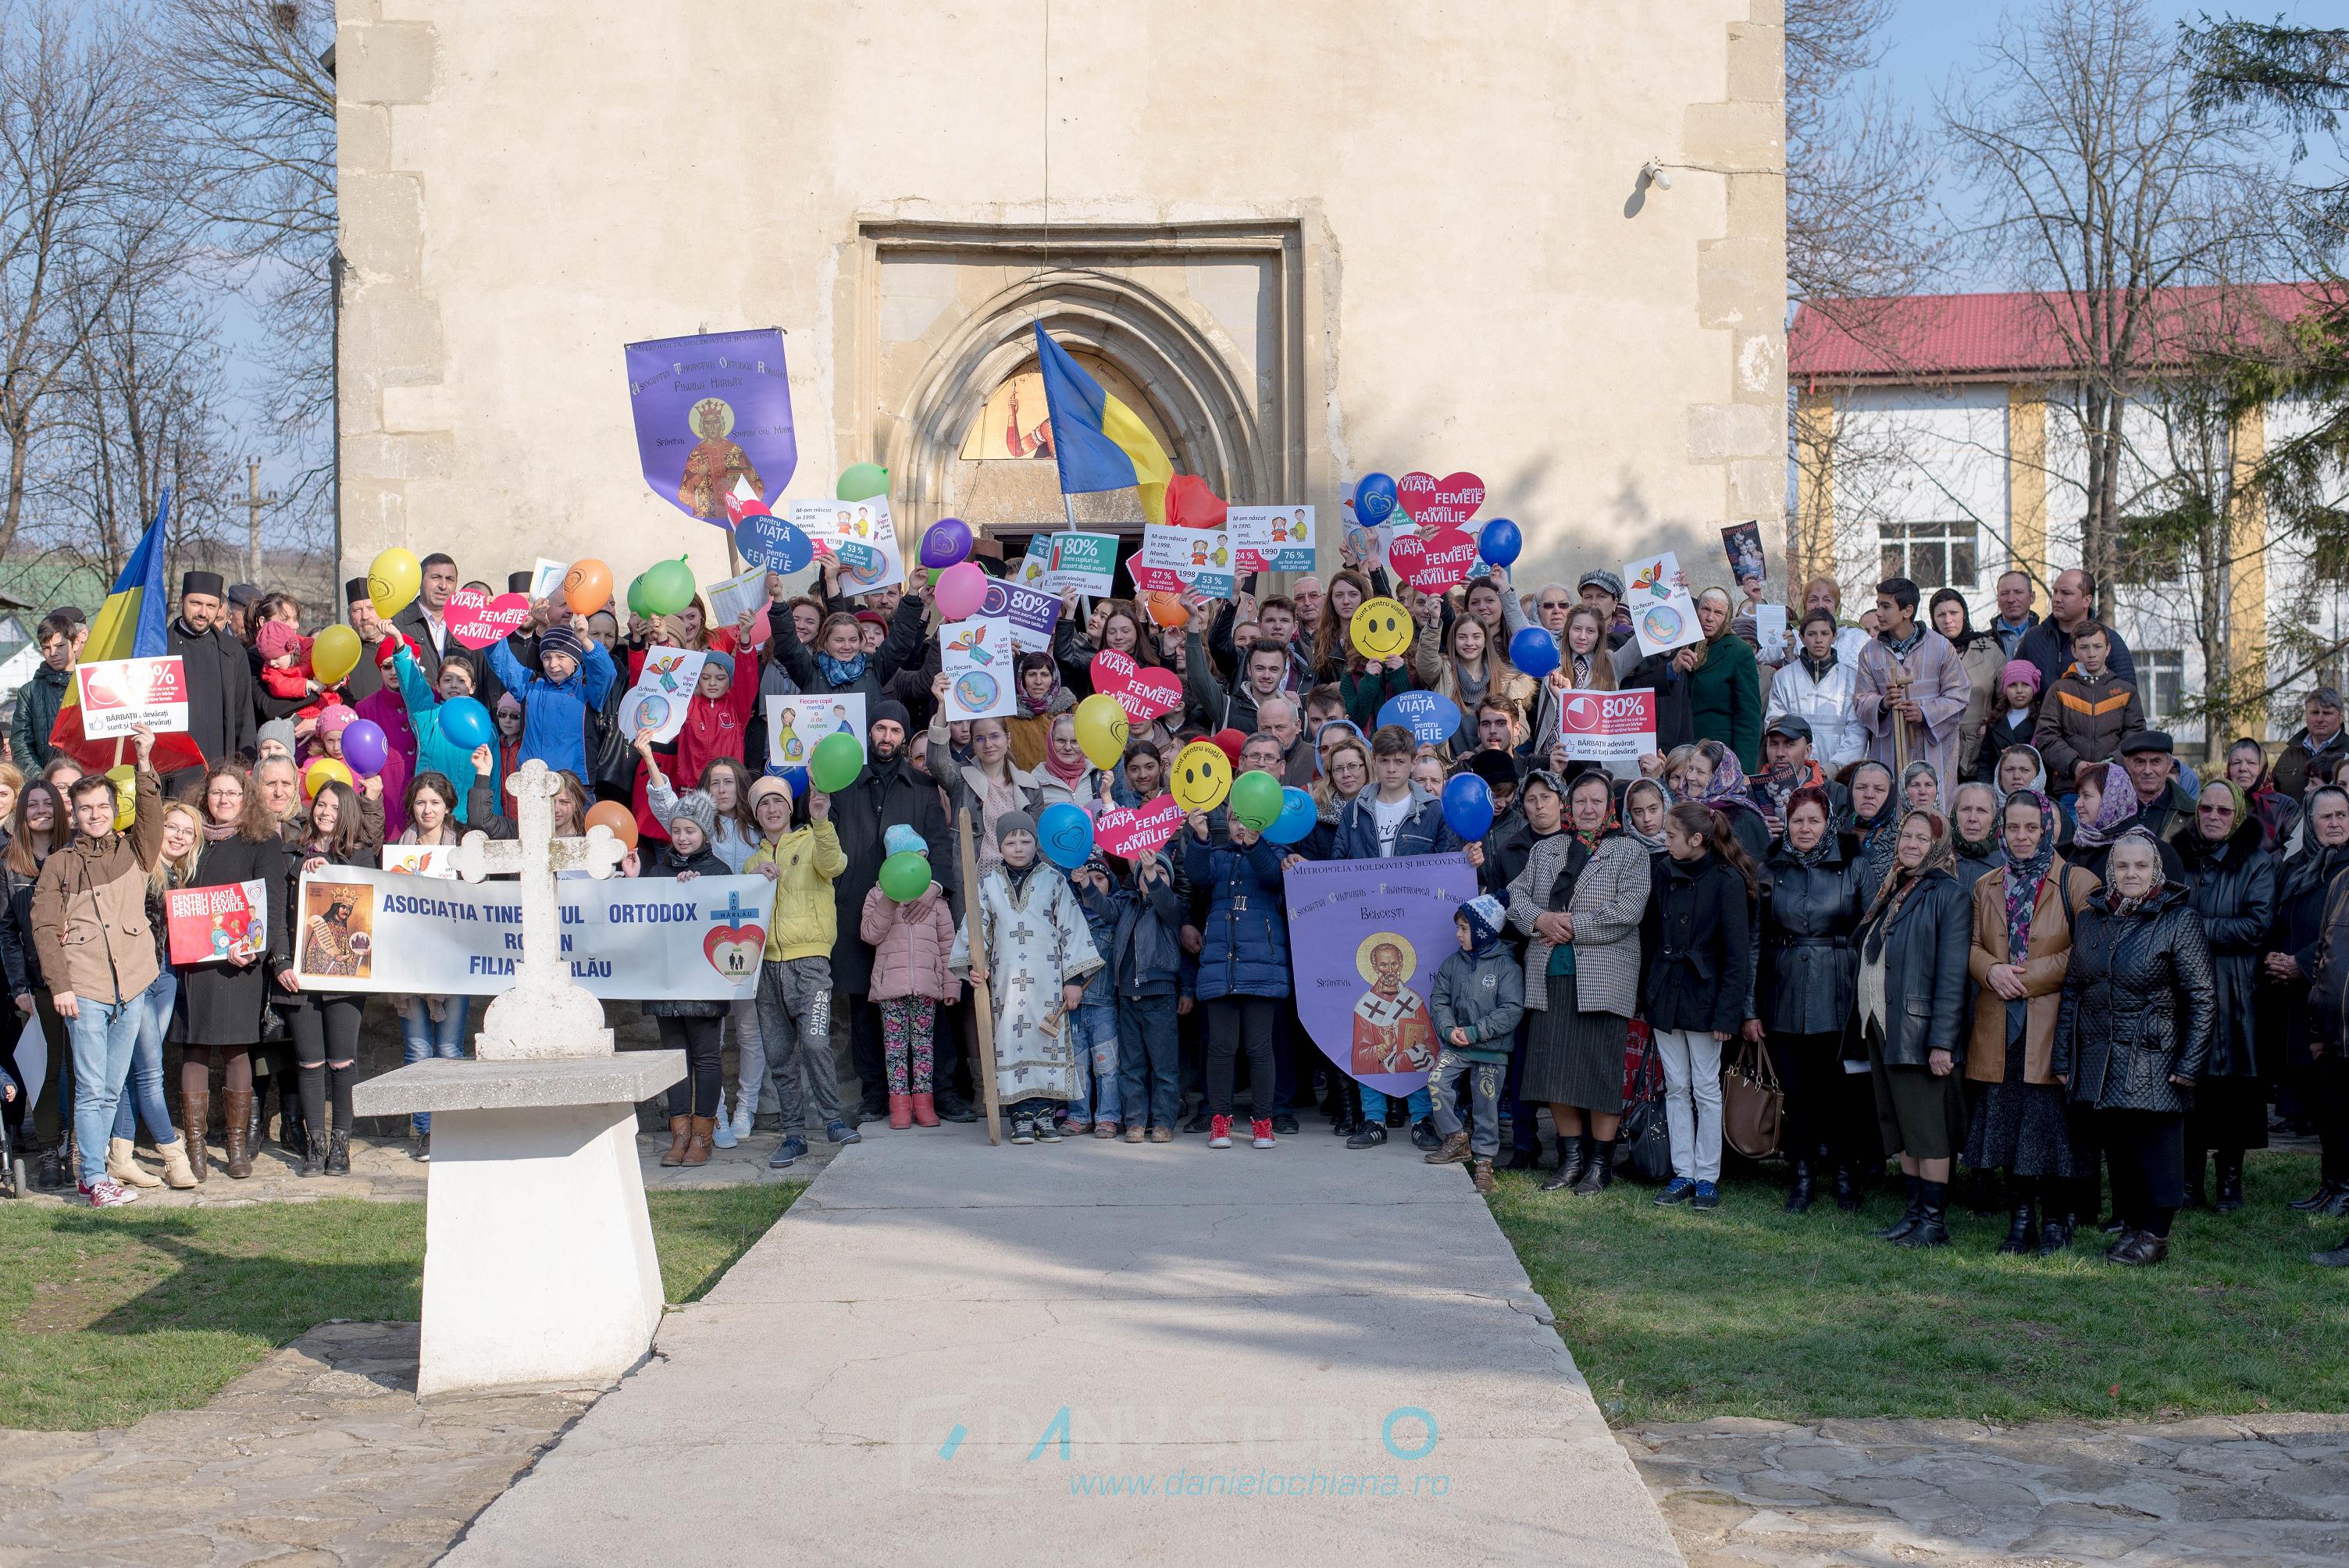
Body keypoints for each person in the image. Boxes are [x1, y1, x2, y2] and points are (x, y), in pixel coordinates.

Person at [2052, 828, 2215, 1266]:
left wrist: (2190, 1064)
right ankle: (2131, 1226)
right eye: (2122, 865)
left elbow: (2202, 998)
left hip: (2155, 1057)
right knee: (2120, 1147)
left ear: (2155, 869)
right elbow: (2073, 990)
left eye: (2141, 865)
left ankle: (2155, 1236)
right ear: (2110, 870)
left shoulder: (2179, 920)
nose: (2131, 873)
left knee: (2156, 1146)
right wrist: (2065, 1058)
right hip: (2101, 1057)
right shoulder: (2092, 918)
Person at [28, 731, 166, 1206]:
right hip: (83, 988)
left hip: (131, 985)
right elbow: (45, 928)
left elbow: (151, 816)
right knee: (90, 1089)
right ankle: (92, 1176)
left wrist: (144, 760)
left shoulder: (135, 852)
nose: (94, 815)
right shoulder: (60, 865)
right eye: (84, 808)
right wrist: (60, 986)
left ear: (113, 807)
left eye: (102, 807)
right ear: (74, 813)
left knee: (110, 1088)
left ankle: (94, 1175)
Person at [1964, 789, 2098, 1255]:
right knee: (2007, 1120)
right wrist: (1991, 971)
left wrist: (2027, 978)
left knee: (2051, 1127)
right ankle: (2021, 1221)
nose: (2022, 837)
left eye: (2031, 828)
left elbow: (2087, 949)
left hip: (2051, 1021)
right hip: (1999, 1019)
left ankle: (2058, 1219)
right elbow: (1975, 947)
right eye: (2014, 827)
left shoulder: (2078, 882)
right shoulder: (1988, 884)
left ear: (2049, 829)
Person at [1510, 771, 1650, 1194]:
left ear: (1610, 808)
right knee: (1556, 1074)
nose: (1587, 809)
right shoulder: (1546, 850)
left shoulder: (1629, 851)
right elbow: (1516, 898)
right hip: (1550, 977)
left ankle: (1599, 1166)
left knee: (1600, 1074)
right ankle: (1570, 1161)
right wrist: (1539, 919)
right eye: (1580, 801)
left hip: (1605, 980)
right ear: (1568, 806)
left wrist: (1570, 924)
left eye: (1596, 802)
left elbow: (1629, 911)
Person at [828, 699, 964, 1128]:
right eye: (880, 729)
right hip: (860, 912)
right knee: (864, 1009)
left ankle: (941, 1093)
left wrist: (935, 886)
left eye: (895, 731)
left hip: (914, 915)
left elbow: (940, 845)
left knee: (930, 1007)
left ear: (906, 738)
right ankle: (875, 1097)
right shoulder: (842, 784)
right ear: (869, 733)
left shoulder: (922, 787)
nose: (886, 738)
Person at [1334, 725, 1463, 1145]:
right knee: (1370, 1029)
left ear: (1412, 762)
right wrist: (1303, 870)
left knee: (1417, 1026)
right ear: (1376, 762)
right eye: (1384, 761)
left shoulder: (1434, 811)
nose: (1391, 769)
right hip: (1365, 927)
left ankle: (1422, 1117)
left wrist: (1469, 859)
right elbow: (1337, 866)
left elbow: (1447, 867)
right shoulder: (1355, 810)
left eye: (1400, 762)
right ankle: (1372, 1118)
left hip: (1419, 933)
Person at [1854, 808, 1973, 1249]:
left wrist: (1942, 1042)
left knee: (1928, 1129)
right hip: (1883, 1026)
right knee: (1901, 1125)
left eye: (1923, 838)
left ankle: (1934, 1222)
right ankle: (1912, 1214)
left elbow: (1951, 975)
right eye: (1907, 835)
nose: (1912, 844)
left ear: (1938, 846)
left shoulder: (1949, 895)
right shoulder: (1895, 889)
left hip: (1919, 1032)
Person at [951, 811, 1103, 1146]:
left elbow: (1071, 930)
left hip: (1048, 982)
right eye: (1010, 841)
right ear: (1000, 846)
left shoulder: (1054, 880)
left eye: (1025, 840)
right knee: (1011, 1044)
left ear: (1037, 843)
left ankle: (1045, 1115)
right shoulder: (988, 884)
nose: (1018, 847)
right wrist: (977, 967)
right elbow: (977, 932)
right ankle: (1020, 1117)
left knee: (1046, 1044)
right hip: (1007, 985)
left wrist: (1073, 979)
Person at [173, 764, 288, 1180]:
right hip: (196, 965)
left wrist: (253, 950)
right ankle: (196, 1149)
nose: (224, 800)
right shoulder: (189, 839)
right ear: (205, 798)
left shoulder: (263, 841)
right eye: (216, 793)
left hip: (241, 965)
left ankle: (237, 1148)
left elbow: (271, 904)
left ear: (246, 799)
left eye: (233, 794)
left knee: (238, 1050)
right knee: (194, 1049)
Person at [1755, 786, 1865, 1213]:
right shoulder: (1769, 868)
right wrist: (1750, 1007)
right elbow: (1754, 939)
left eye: (1813, 821)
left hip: (1839, 988)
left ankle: (1843, 1174)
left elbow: (1871, 927)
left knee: (1839, 1091)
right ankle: (1801, 1176)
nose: (1805, 828)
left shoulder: (1854, 866)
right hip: (1783, 991)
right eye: (1797, 820)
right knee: (1797, 1092)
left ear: (1828, 824)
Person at [1644, 801, 1756, 1210]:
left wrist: (1729, 1013)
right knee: (1675, 1085)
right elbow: (1651, 937)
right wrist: (1648, 993)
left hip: (1705, 998)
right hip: (1666, 993)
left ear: (1696, 839)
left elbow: (1736, 954)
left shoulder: (1726, 880)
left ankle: (1707, 1175)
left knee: (1706, 1088)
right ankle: (1682, 1173)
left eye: (1671, 835)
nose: (1664, 839)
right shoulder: (1662, 871)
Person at [2171, 779, 2276, 1214]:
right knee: (2188, 1086)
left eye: (2223, 811)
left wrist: (2197, 930)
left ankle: (2230, 1181)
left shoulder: (2256, 862)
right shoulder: (2178, 856)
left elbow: (2257, 925)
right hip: (2183, 989)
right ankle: (2189, 1179)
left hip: (2236, 992)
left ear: (2238, 816)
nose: (2213, 816)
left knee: (2234, 1092)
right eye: (2206, 809)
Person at [273, 776, 383, 1177]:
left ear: (348, 813)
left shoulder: (361, 857)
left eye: (335, 807)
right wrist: (281, 961)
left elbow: (369, 910)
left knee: (342, 1062)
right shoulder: (289, 853)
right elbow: (275, 915)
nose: (325, 812)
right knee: (309, 1062)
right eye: (321, 804)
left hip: (344, 979)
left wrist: (330, 867)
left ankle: (341, 1146)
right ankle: (314, 1147)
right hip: (299, 978)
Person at [745, 775, 851, 1167]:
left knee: (816, 1042)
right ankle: (793, 1135)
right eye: (763, 805)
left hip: (810, 963)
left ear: (790, 808)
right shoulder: (752, 861)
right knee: (779, 1055)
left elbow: (834, 865)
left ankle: (834, 1121)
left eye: (779, 802)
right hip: (766, 967)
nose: (772, 810)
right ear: (756, 814)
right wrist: (753, 882)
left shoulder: (813, 840)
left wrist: (821, 821)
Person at [644, 790, 750, 1168]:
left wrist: (699, 890)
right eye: (677, 830)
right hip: (666, 982)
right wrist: (632, 881)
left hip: (704, 981)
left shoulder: (718, 871)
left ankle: (703, 1135)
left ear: (704, 833)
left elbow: (726, 919)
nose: (683, 837)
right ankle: (680, 1136)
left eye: (690, 830)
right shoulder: (657, 873)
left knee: (706, 1058)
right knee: (675, 1059)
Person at [108, 798, 204, 1192]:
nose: (179, 836)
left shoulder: (181, 876)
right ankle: (173, 1155)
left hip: (166, 977)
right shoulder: (140, 868)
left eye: (188, 831)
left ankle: (121, 1156)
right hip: (135, 977)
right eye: (172, 827)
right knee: (150, 1071)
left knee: (137, 1067)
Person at [1182, 803, 1289, 1151]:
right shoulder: (1217, 857)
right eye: (1234, 820)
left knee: (1260, 1049)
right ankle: (1220, 1119)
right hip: (1220, 967)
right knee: (1221, 1049)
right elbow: (1197, 875)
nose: (1241, 826)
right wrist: (1199, 839)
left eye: (1249, 820)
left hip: (1261, 967)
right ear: (1225, 826)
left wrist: (1256, 844)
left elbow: (1273, 875)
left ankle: (1262, 1120)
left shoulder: (1276, 853)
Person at [2262, 785, 2349, 1217]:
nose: (2335, 824)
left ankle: (2343, 1187)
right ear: (2310, 823)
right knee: (2322, 1099)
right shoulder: (2296, 866)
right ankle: (2329, 1184)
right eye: (2326, 817)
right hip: (2297, 1001)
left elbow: (2342, 940)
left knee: (2339, 1100)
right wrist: (2278, 959)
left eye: (2342, 816)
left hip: (2338, 1001)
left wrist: (2299, 962)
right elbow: (2281, 919)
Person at [1421, 894, 1525, 1193]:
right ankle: (1456, 1137)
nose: (1458, 934)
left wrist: (1476, 1032)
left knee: (1486, 1106)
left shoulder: (1507, 967)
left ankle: (1484, 1163)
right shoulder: (1452, 963)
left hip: (1491, 1051)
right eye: (1458, 927)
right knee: (1437, 1082)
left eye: (1464, 928)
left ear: (1482, 932)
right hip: (1456, 1046)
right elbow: (1439, 999)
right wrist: (1449, 1028)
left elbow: (1512, 1010)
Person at [389, 772, 469, 1157]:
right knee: (417, 1051)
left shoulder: (463, 850)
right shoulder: (396, 849)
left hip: (451, 965)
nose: (428, 809)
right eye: (421, 802)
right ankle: (425, 1130)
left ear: (448, 807)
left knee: (450, 1051)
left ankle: (452, 1128)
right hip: (408, 964)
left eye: (435, 802)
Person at [858, 826, 958, 1130]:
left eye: (920, 857)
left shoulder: (936, 903)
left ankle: (924, 1103)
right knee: (895, 1048)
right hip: (891, 987)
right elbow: (869, 934)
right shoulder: (877, 895)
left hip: (926, 986)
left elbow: (949, 947)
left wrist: (951, 984)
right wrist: (888, 899)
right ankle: (899, 1104)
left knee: (924, 1046)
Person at [0, 778, 70, 1185]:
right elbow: (6, 930)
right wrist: (18, 987)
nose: (41, 810)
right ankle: (47, 1151)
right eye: (33, 804)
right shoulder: (9, 862)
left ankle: (76, 1148)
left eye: (48, 803)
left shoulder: (76, 853)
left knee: (83, 1073)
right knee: (45, 1071)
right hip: (36, 982)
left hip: (82, 979)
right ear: (22, 812)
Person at [1103, 839, 1186, 1144]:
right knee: (1132, 1065)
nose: (1153, 878)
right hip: (1128, 996)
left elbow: (1165, 901)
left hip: (1159, 996)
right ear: (1136, 880)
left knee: (1164, 1065)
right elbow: (1101, 904)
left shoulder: (1172, 907)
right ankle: (1136, 1121)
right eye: (1147, 873)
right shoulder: (1126, 905)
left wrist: (1153, 873)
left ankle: (1164, 1121)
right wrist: (1085, 882)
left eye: (1162, 874)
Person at [1854, 577, 1973, 789]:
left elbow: (1960, 694)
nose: (1878, 613)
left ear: (1907, 611)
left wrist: (1925, 713)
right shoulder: (1869, 652)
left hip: (1934, 751)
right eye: (1877, 605)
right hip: (1889, 750)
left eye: (1886, 606)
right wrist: (1882, 703)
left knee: (1932, 812)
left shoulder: (1941, 647)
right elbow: (1861, 700)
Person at [487, 615, 618, 780]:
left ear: (576, 660)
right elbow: (501, 662)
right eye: (547, 657)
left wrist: (584, 640)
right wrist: (492, 622)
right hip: (532, 783)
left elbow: (606, 672)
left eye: (561, 657)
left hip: (574, 785)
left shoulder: (587, 690)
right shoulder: (530, 685)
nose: (553, 664)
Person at [2030, 620, 2143, 789]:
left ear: (2108, 649)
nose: (2091, 654)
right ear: (2074, 651)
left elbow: (2135, 734)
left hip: (2115, 785)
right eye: (2084, 648)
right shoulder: (2059, 690)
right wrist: (2075, 764)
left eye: (2097, 646)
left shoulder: (2126, 691)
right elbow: (2046, 735)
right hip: (2071, 786)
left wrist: (2113, 763)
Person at [169, 572, 258, 775]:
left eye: (211, 606)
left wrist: (243, 772)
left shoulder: (233, 653)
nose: (202, 612)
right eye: (195, 603)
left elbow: (244, 720)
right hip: (173, 772)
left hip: (220, 773)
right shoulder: (160, 648)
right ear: (181, 602)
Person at [1767, 610, 1864, 775]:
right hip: (1796, 772)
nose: (1819, 640)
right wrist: (1798, 765)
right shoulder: (1784, 677)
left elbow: (1858, 730)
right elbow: (1775, 724)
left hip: (1837, 774)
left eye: (1825, 633)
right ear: (1801, 637)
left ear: (1834, 637)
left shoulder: (1852, 677)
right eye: (1812, 634)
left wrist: (1835, 766)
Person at [1681, 586, 1762, 774]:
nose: (1710, 618)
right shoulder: (1683, 642)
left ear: (1727, 617)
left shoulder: (1739, 651)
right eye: (1705, 609)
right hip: (1681, 751)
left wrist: (1743, 769)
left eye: (1718, 613)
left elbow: (1748, 717)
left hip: (1718, 756)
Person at [1930, 588, 2007, 781]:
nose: (1948, 620)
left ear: (1964, 613)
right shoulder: (1926, 652)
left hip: (1981, 748)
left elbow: (2007, 698)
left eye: (1953, 613)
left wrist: (1992, 724)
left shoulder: (1988, 649)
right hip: (1938, 747)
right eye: (1941, 614)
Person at [2018, 568, 2137, 693]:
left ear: (2086, 600)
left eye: (2066, 593)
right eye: (2055, 591)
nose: (2057, 598)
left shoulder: (2108, 640)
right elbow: (2013, 685)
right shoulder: (2034, 638)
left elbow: (2128, 700)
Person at [9, 613, 75, 770]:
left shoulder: (91, 684)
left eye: (60, 646)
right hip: (48, 788)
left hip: (90, 784)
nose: (53, 653)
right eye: (46, 648)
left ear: (76, 643)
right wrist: (43, 780)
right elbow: (21, 746)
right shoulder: (29, 692)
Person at [391, 551, 460, 685]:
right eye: (436, 577)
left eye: (450, 579)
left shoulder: (467, 624)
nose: (443, 586)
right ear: (420, 580)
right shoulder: (397, 624)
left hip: (462, 705)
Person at [2118, 730, 2198, 843]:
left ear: (2170, 764)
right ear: (2127, 764)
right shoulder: (2111, 808)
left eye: (2156, 762)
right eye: (2140, 762)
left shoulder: (2189, 814)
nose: (2147, 771)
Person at [2272, 687, 2349, 803]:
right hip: (2292, 821)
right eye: (2314, 712)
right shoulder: (2290, 754)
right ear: (2306, 715)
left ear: (2341, 716)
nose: (2320, 719)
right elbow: (2273, 797)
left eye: (2327, 713)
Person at [1973, 661, 2044, 786]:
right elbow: (1985, 761)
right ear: (2005, 688)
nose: (2019, 690)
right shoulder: (1996, 718)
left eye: (2025, 685)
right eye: (2013, 685)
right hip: (1999, 787)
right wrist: (1987, 789)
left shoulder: (2042, 719)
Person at [2228, 736, 2301, 853]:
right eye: (2236, 762)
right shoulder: (2217, 802)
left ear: (2262, 768)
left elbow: (2291, 852)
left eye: (2251, 763)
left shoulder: (2286, 806)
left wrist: (2261, 866)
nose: (2243, 768)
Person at [1841, 759, 1900, 901]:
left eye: (1879, 789)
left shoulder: (1903, 837)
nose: (1869, 794)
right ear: (1851, 791)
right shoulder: (1830, 831)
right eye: (1861, 787)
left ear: (1890, 796)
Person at [1950, 781, 2006, 895]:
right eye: (1966, 809)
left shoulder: (2008, 866)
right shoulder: (1940, 861)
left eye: (1982, 811)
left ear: (1994, 819)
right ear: (1955, 814)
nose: (1972, 818)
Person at [1986, 569, 2041, 658]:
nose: (2011, 599)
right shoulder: (1982, 642)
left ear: (2032, 597)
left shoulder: (2048, 638)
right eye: (2004, 593)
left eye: (2018, 592)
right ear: (1998, 600)